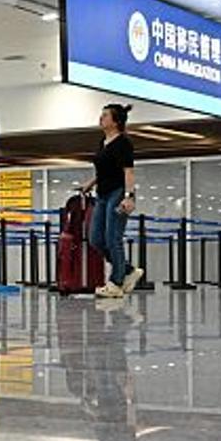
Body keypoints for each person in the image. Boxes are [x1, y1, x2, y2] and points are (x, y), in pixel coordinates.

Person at [82, 102, 142, 299]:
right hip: (102, 193)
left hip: (118, 192)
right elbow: (104, 170)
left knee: (113, 238)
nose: (101, 118)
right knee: (96, 239)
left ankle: (116, 283)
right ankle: (127, 270)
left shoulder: (124, 143)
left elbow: (128, 171)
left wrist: (129, 197)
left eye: (105, 115)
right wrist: (90, 184)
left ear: (116, 121)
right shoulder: (103, 142)